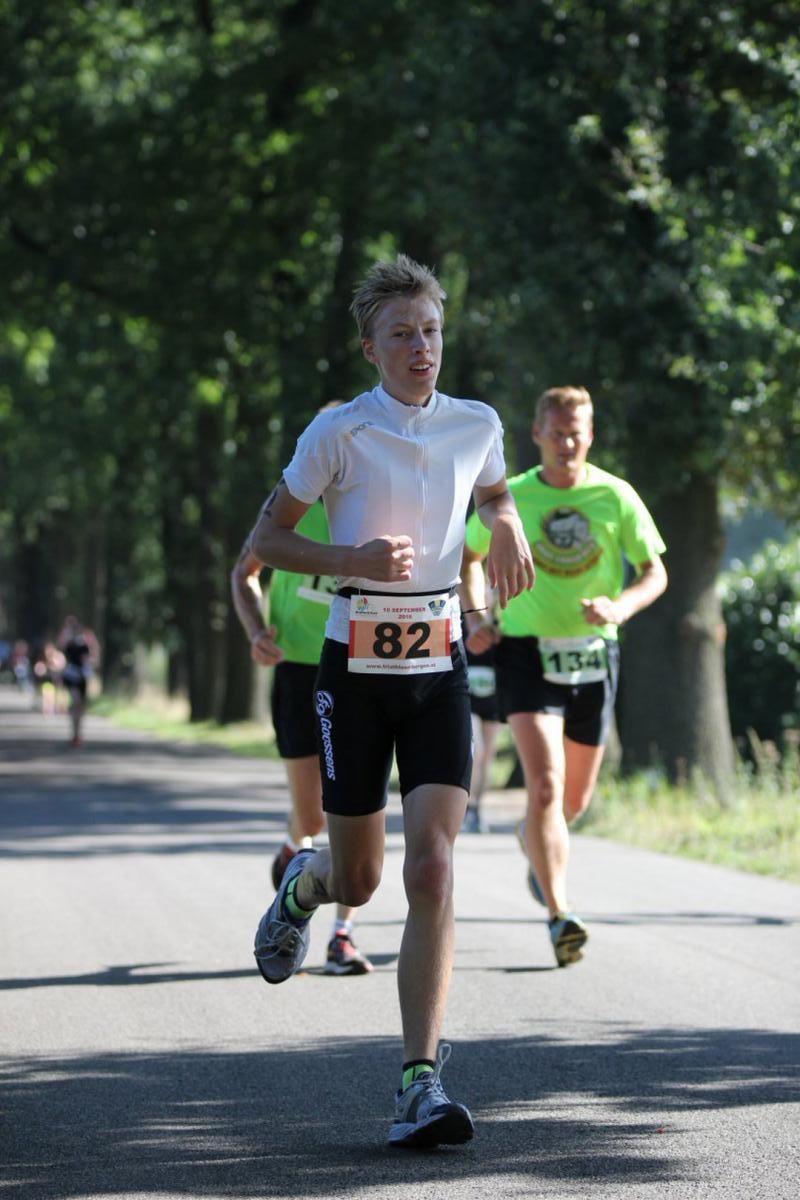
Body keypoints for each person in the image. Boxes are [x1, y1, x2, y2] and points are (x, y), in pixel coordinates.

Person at [243, 254, 534, 1148]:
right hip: (353, 671)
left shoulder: (476, 423)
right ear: (371, 347)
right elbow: (265, 540)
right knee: (361, 877)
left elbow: (489, 492)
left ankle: (420, 1081)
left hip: (438, 663)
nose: (422, 349)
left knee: (434, 869)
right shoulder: (338, 434)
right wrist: (352, 563)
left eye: (432, 332)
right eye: (403, 335)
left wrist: (511, 522)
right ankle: (305, 884)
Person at [461, 385, 667, 967]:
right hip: (525, 651)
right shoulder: (512, 498)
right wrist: (476, 616)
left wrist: (619, 609)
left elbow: (655, 573)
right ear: (537, 435)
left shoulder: (615, 495)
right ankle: (560, 915)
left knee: (572, 801)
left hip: (595, 655)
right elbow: (468, 558)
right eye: (556, 433)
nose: (567, 443)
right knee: (545, 787)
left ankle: (536, 842)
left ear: (591, 434)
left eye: (577, 433)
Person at [230, 496, 374, 976]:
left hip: (362, 665)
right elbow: (243, 573)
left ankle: (341, 936)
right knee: (312, 812)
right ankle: (296, 851)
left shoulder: (380, 500)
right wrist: (255, 632)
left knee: (353, 809)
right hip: (298, 670)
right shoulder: (292, 501)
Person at [460, 578, 502, 834]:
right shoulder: (465, 621)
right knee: (478, 749)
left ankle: (476, 808)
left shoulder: (501, 626)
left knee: (488, 755)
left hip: (494, 698)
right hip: (468, 696)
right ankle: (466, 806)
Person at [57, 616, 100, 747]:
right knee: (76, 703)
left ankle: (77, 734)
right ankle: (75, 732)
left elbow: (93, 656)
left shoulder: (85, 642)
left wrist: (92, 644)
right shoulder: (68, 643)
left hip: (82, 676)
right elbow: (61, 646)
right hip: (71, 676)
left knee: (80, 707)